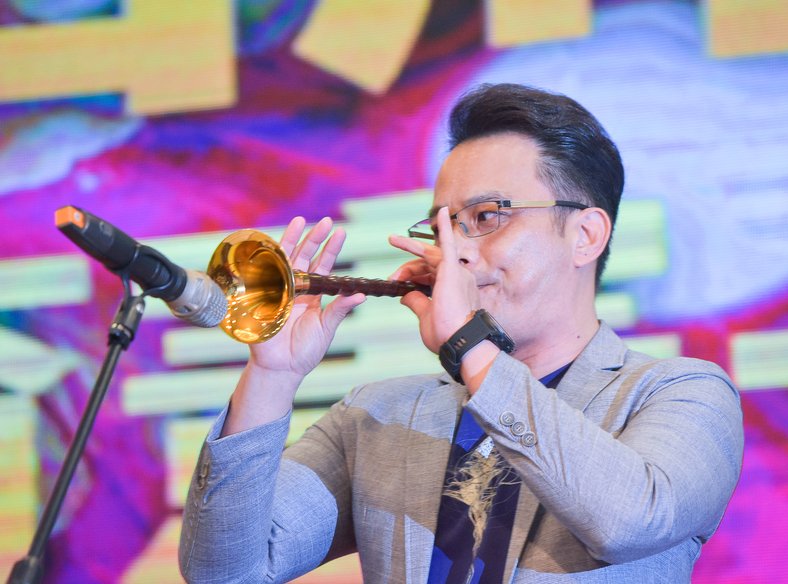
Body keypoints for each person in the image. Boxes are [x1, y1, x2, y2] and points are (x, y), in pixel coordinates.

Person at [179, 83, 744, 583]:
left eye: (487, 217)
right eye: (443, 228)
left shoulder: (681, 393)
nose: (456, 253)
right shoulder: (375, 416)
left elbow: (629, 523)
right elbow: (224, 571)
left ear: (586, 236)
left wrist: (470, 345)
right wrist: (272, 375)